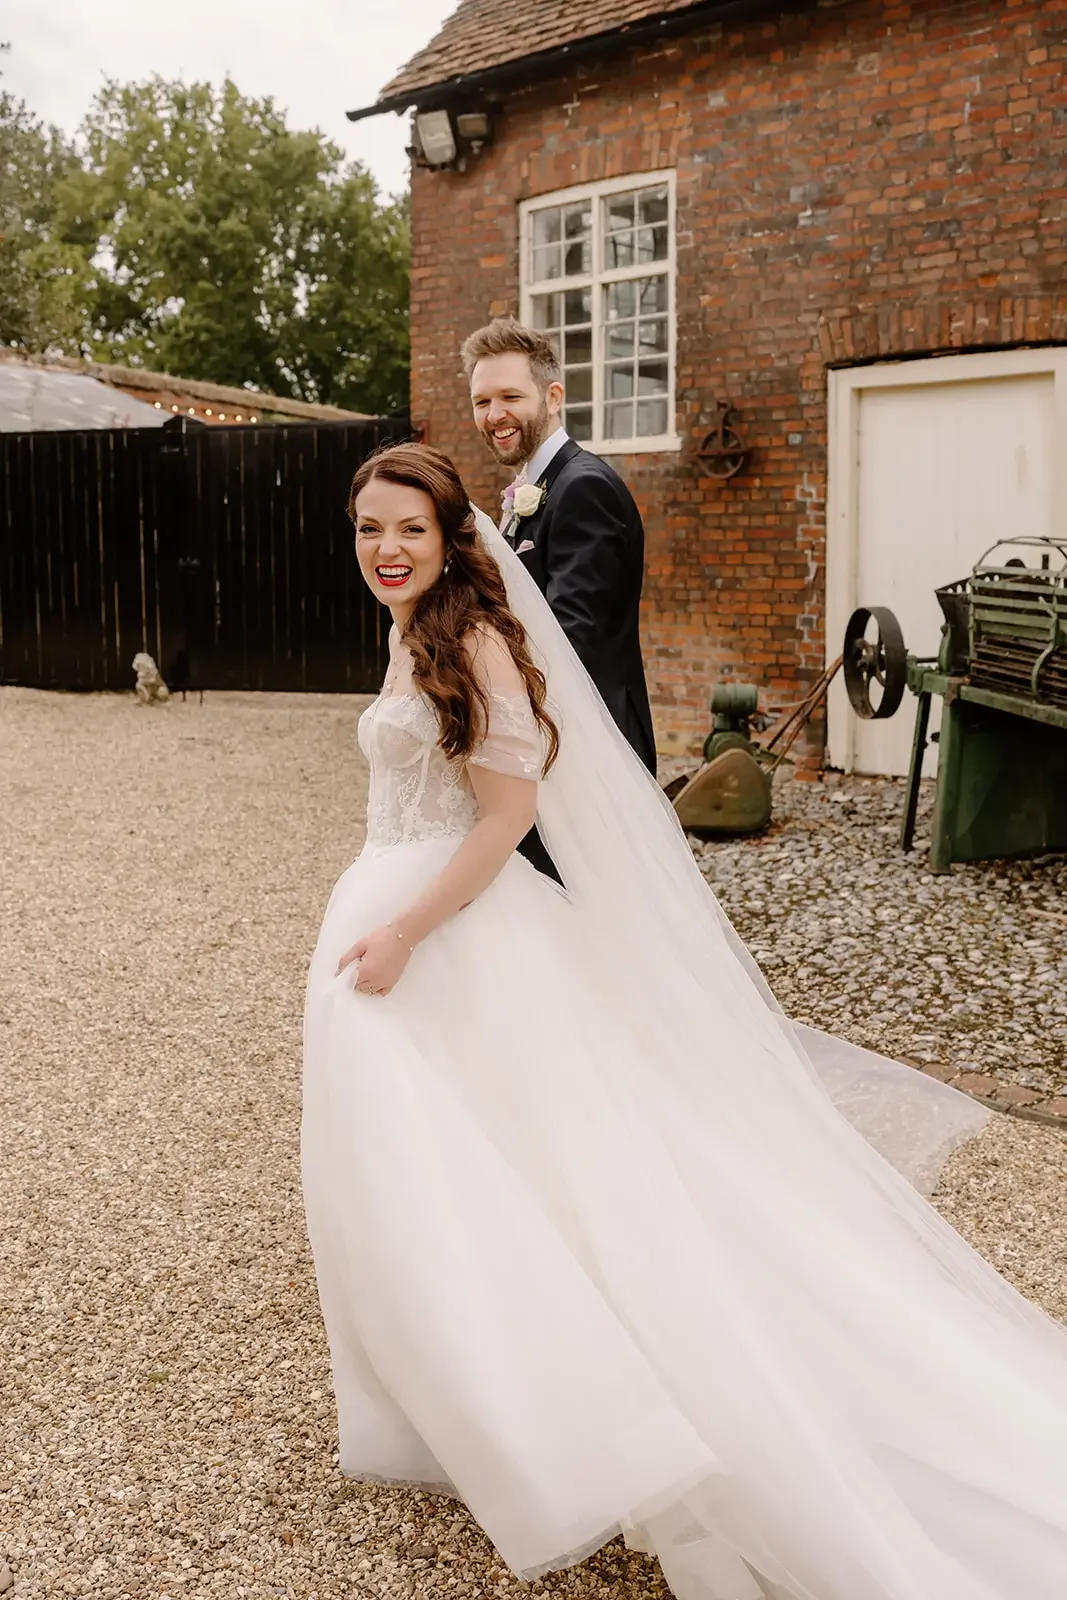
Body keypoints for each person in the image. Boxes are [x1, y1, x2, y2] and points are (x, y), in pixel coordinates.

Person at [301, 441, 1067, 1600]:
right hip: (402, 918)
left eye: (407, 527)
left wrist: (406, 928)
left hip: (451, 932)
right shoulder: (410, 630)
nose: (386, 549)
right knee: (433, 1176)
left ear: (452, 534)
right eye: (368, 529)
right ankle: (474, 1406)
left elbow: (505, 817)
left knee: (557, 1176)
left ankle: (594, 1419)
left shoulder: (475, 638)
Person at [462, 318, 656, 880]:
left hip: (586, 748)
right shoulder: (535, 487)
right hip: (549, 736)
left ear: (552, 397)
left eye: (509, 397)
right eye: (481, 401)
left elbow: (572, 637)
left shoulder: (583, 488)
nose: (493, 414)